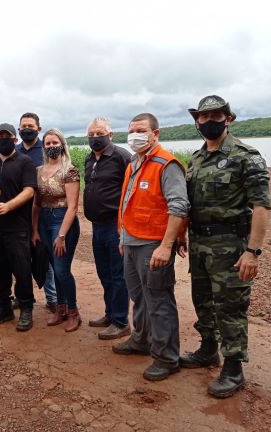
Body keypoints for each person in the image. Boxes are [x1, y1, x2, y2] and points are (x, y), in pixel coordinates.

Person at [181, 95, 271, 398]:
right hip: (199, 243)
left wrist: (252, 251)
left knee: (230, 308)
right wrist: (182, 234)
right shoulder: (195, 159)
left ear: (228, 119)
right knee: (202, 300)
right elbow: (190, 205)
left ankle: (234, 368)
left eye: (215, 116)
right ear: (197, 121)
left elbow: (261, 206)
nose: (209, 121)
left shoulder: (246, 155)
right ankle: (208, 348)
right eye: (203, 117)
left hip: (231, 246)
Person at [114, 113, 189, 382]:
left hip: (153, 245)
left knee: (158, 300)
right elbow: (127, 203)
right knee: (139, 296)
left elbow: (178, 206)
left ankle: (167, 358)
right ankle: (141, 339)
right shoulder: (134, 162)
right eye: (131, 130)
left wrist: (166, 246)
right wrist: (123, 237)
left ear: (155, 134)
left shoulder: (166, 164)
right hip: (131, 241)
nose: (135, 135)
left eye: (141, 130)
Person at [0, 123, 37, 331]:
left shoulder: (25, 161)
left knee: (21, 269)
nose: (3, 139)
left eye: (8, 136)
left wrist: (9, 205)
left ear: (15, 140)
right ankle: (3, 306)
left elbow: (29, 190)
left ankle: (26, 308)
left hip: (17, 226)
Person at [84, 117, 132, 340]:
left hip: (116, 225)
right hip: (96, 226)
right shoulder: (88, 159)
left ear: (110, 135)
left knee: (117, 274)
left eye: (100, 133)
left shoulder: (122, 157)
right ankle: (110, 313)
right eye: (91, 134)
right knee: (104, 273)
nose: (95, 137)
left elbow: (131, 192)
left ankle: (121, 321)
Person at [32, 128, 81, 331]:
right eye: (48, 143)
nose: (51, 146)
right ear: (43, 146)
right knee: (53, 266)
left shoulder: (69, 170)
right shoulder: (38, 171)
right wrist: (34, 229)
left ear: (62, 144)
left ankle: (73, 312)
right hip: (43, 219)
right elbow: (36, 203)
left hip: (62, 220)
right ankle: (60, 309)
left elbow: (73, 206)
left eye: (55, 142)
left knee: (62, 270)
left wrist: (61, 235)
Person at [16, 112, 57, 312]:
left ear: (38, 129)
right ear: (19, 129)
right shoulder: (14, 151)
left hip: (43, 212)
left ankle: (52, 297)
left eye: (30, 126)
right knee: (19, 257)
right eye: (23, 126)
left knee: (45, 256)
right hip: (18, 212)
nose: (27, 129)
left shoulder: (47, 149)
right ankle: (24, 296)